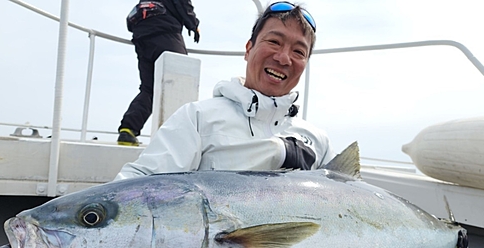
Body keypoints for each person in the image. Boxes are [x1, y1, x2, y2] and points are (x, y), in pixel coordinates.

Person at [115, 1, 335, 180]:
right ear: (248, 49)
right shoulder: (197, 119)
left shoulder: (319, 142)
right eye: (274, 42)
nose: (284, 58)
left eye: (298, 51)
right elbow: (140, 182)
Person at [118, 0, 200, 146]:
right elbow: (182, 3)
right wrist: (193, 25)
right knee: (180, 80)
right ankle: (177, 142)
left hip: (142, 35)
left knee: (149, 88)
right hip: (164, 32)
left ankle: (128, 129)